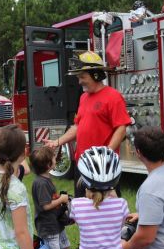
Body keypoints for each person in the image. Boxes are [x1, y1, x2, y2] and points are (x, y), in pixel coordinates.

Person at [44, 51, 132, 197]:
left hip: (102, 168)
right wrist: (57, 142)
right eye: (78, 77)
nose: (79, 82)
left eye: (82, 77)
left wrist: (106, 155)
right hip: (82, 164)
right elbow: (77, 127)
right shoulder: (84, 97)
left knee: (107, 207)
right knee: (82, 206)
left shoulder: (113, 96)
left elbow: (121, 128)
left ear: (96, 75)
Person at [29, 146, 79, 249]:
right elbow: (45, 206)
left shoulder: (46, 179)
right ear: (48, 164)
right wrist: (61, 199)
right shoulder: (41, 183)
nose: (55, 159)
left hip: (56, 223)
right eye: (53, 158)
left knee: (66, 247)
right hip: (48, 226)